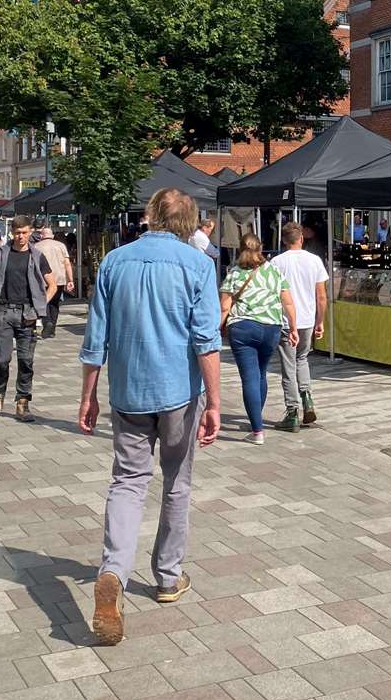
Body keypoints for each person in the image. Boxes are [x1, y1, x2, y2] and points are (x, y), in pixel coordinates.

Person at [78, 188, 222, 645]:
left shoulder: (115, 262)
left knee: (127, 481)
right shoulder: (198, 265)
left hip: (128, 389)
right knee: (176, 482)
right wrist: (215, 402)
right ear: (190, 221)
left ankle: (114, 571)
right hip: (179, 391)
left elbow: (95, 337)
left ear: (149, 216)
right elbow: (206, 341)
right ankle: (167, 575)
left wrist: (88, 395)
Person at [219, 234, 296, 445]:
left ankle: (257, 430)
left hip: (243, 328)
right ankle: (256, 418)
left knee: (250, 377)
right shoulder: (274, 271)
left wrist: (217, 328)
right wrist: (294, 328)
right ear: (261, 248)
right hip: (272, 328)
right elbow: (288, 303)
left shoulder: (234, 273)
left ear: (240, 248)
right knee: (261, 373)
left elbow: (225, 306)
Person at [0, 216, 57, 421]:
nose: (21, 236)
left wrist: (40, 305)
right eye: (17, 233)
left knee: (26, 360)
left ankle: (23, 402)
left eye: (25, 232)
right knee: (2, 359)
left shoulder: (37, 256)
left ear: (31, 232)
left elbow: (53, 285)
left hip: (27, 314)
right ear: (11, 232)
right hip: (3, 312)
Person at [269, 222, 328, 433]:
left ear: (283, 240)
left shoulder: (276, 262)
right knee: (302, 359)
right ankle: (307, 398)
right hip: (307, 320)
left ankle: (292, 411)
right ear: (301, 238)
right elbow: (321, 296)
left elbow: (271, 294)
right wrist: (320, 321)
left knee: (288, 366)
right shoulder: (314, 260)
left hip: (286, 321)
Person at [36, 227, 74, 339]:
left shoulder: (36, 247)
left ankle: (47, 322)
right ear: (52, 235)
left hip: (42, 280)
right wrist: (70, 279)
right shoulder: (61, 246)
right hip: (59, 279)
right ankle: (52, 329)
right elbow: (67, 263)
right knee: (55, 303)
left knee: (44, 301)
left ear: (41, 236)